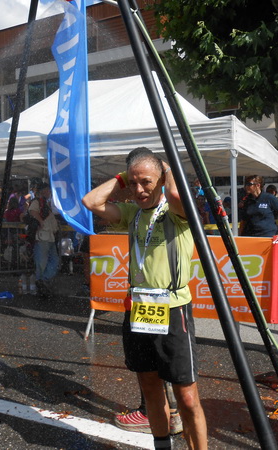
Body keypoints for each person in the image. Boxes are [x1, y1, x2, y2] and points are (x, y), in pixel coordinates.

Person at [83, 147, 207, 449]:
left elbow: (178, 197)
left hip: (174, 310)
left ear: (161, 179)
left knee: (187, 397)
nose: (139, 190)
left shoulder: (176, 212)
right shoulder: (133, 214)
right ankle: (162, 444)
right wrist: (127, 175)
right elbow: (91, 201)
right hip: (139, 309)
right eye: (134, 183)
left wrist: (167, 171)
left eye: (146, 182)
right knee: (150, 388)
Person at [29, 182, 59, 298]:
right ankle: (41, 283)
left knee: (54, 261)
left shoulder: (45, 203)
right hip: (43, 235)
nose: (48, 192)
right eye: (46, 190)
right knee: (42, 262)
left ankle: (43, 281)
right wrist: (41, 222)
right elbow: (32, 211)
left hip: (49, 235)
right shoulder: (38, 201)